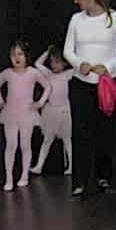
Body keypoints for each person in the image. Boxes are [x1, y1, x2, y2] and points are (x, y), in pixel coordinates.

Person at [63, 0, 116, 199]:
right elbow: (67, 50)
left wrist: (108, 66)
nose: (76, 1)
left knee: (105, 131)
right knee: (81, 132)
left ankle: (104, 177)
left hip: (106, 83)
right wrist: (79, 63)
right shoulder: (76, 20)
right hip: (81, 83)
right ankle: (80, 181)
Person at [0, 39, 51, 191]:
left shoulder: (33, 73)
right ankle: (9, 178)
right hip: (10, 113)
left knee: (25, 145)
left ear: (26, 56)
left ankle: (24, 175)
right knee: (10, 145)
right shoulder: (7, 73)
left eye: (20, 54)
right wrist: (0, 102)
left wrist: (40, 103)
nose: (16, 58)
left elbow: (47, 86)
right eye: (13, 55)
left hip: (27, 114)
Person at [30, 45, 73, 175]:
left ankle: (71, 167)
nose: (53, 65)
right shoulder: (48, 74)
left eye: (57, 62)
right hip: (51, 111)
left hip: (64, 111)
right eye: (52, 62)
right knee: (47, 140)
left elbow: (78, 68)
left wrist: (69, 55)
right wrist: (47, 51)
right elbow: (37, 63)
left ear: (64, 63)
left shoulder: (68, 74)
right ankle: (39, 166)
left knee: (67, 140)